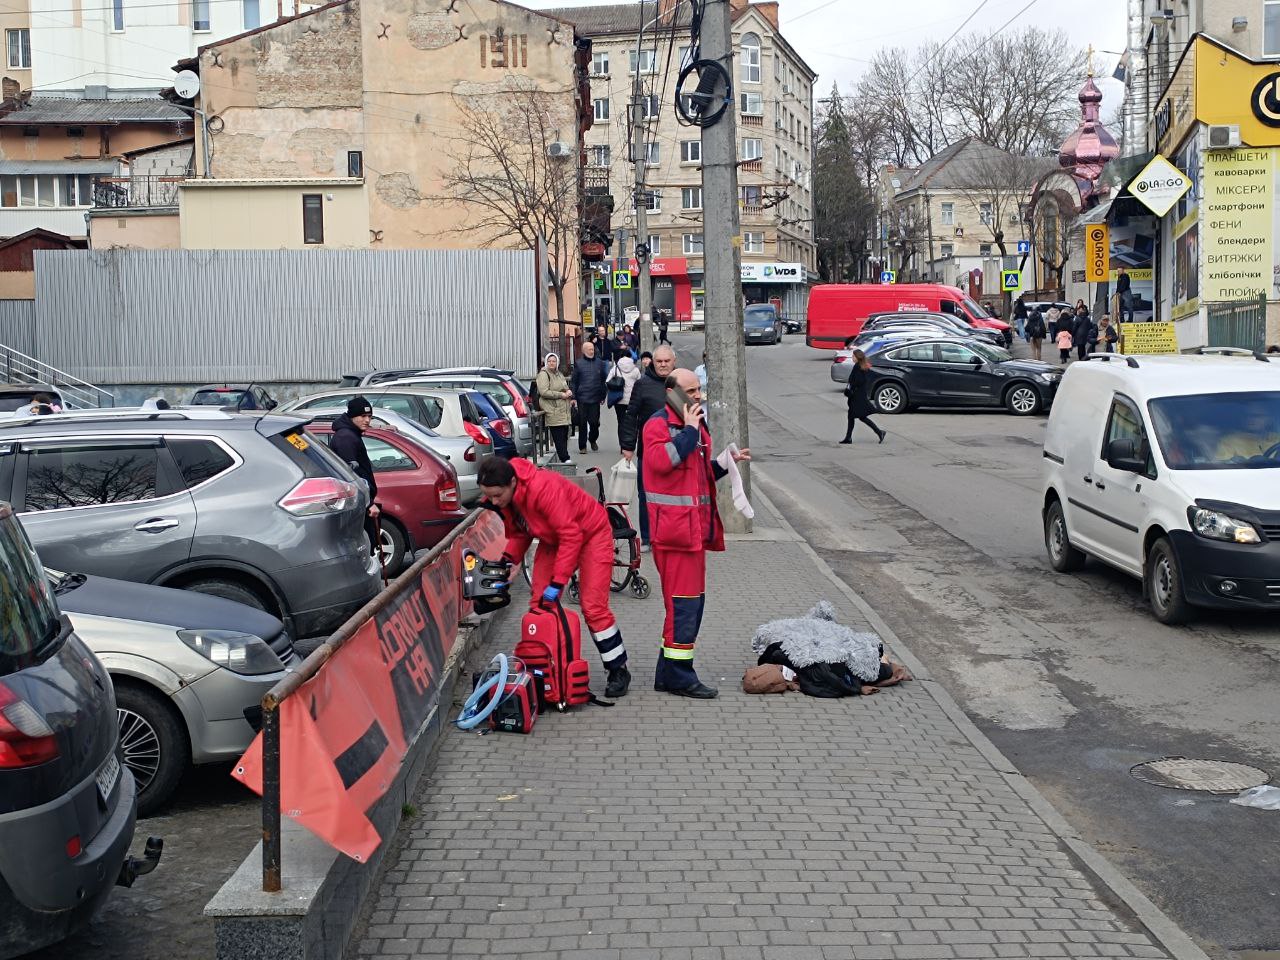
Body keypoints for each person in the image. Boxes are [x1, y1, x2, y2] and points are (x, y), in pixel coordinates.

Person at [478, 456, 631, 698]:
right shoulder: (503, 500)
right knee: (540, 603)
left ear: (513, 482)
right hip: (554, 539)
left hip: (591, 534)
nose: (494, 501)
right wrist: (508, 561)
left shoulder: (544, 489)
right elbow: (519, 533)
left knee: (593, 607)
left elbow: (571, 535)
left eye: (498, 495)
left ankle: (617, 668)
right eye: (490, 496)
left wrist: (558, 581)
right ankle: (546, 669)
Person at [642, 367, 749, 698]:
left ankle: (667, 673)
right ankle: (679, 676)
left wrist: (724, 462)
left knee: (687, 605)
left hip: (692, 534)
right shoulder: (658, 426)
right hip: (674, 535)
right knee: (685, 606)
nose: (698, 395)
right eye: (691, 391)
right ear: (671, 393)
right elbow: (664, 462)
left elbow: (698, 477)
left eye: (699, 389)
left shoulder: (695, 429)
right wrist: (689, 431)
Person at [621, 345, 678, 547]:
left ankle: (670, 535)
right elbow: (631, 416)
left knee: (674, 496)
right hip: (649, 452)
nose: (663, 365)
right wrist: (628, 446)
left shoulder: (682, 382)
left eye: (666, 361)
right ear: (653, 362)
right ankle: (647, 537)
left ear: (674, 362)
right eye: (659, 361)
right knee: (646, 495)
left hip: (677, 452)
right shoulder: (642, 384)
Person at [330, 396, 381, 556]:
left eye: (369, 416)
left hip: (358, 504)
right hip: (357, 505)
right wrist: (368, 504)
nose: (367, 420)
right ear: (352, 416)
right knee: (364, 551)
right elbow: (352, 476)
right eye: (363, 416)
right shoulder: (346, 438)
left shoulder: (351, 434)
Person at [569, 340, 608, 454]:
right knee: (582, 423)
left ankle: (592, 439)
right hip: (582, 398)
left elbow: (603, 380)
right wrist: (573, 397)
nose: (593, 350)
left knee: (595, 423)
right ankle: (582, 447)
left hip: (595, 397)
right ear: (585, 351)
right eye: (590, 349)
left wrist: (603, 395)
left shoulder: (600, 363)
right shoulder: (579, 363)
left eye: (593, 349)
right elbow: (574, 381)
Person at [840, 350, 885, 444]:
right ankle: (849, 438)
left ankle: (879, 432)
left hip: (857, 396)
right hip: (859, 394)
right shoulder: (862, 366)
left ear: (857, 357)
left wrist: (851, 388)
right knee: (854, 416)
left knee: (858, 416)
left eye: (853, 356)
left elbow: (858, 380)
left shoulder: (858, 367)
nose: (852, 358)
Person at [536, 353, 574, 463]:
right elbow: (544, 391)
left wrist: (568, 391)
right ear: (546, 362)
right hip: (553, 410)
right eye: (549, 361)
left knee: (564, 436)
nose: (552, 363)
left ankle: (565, 459)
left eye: (554, 361)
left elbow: (564, 386)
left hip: (563, 410)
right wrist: (561, 395)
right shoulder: (543, 374)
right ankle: (565, 459)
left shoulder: (559, 374)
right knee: (558, 438)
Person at [1214, 402, 1280, 461]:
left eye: (1256, 416)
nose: (1250, 419)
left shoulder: (1277, 439)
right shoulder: (1229, 441)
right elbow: (1224, 467)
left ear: (1269, 419)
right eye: (1247, 415)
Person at [608, 353, 642, 442]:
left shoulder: (615, 368)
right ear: (630, 357)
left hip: (618, 399)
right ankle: (630, 442)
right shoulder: (635, 369)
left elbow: (607, 381)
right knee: (632, 422)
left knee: (621, 422)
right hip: (632, 399)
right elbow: (640, 383)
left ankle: (622, 444)